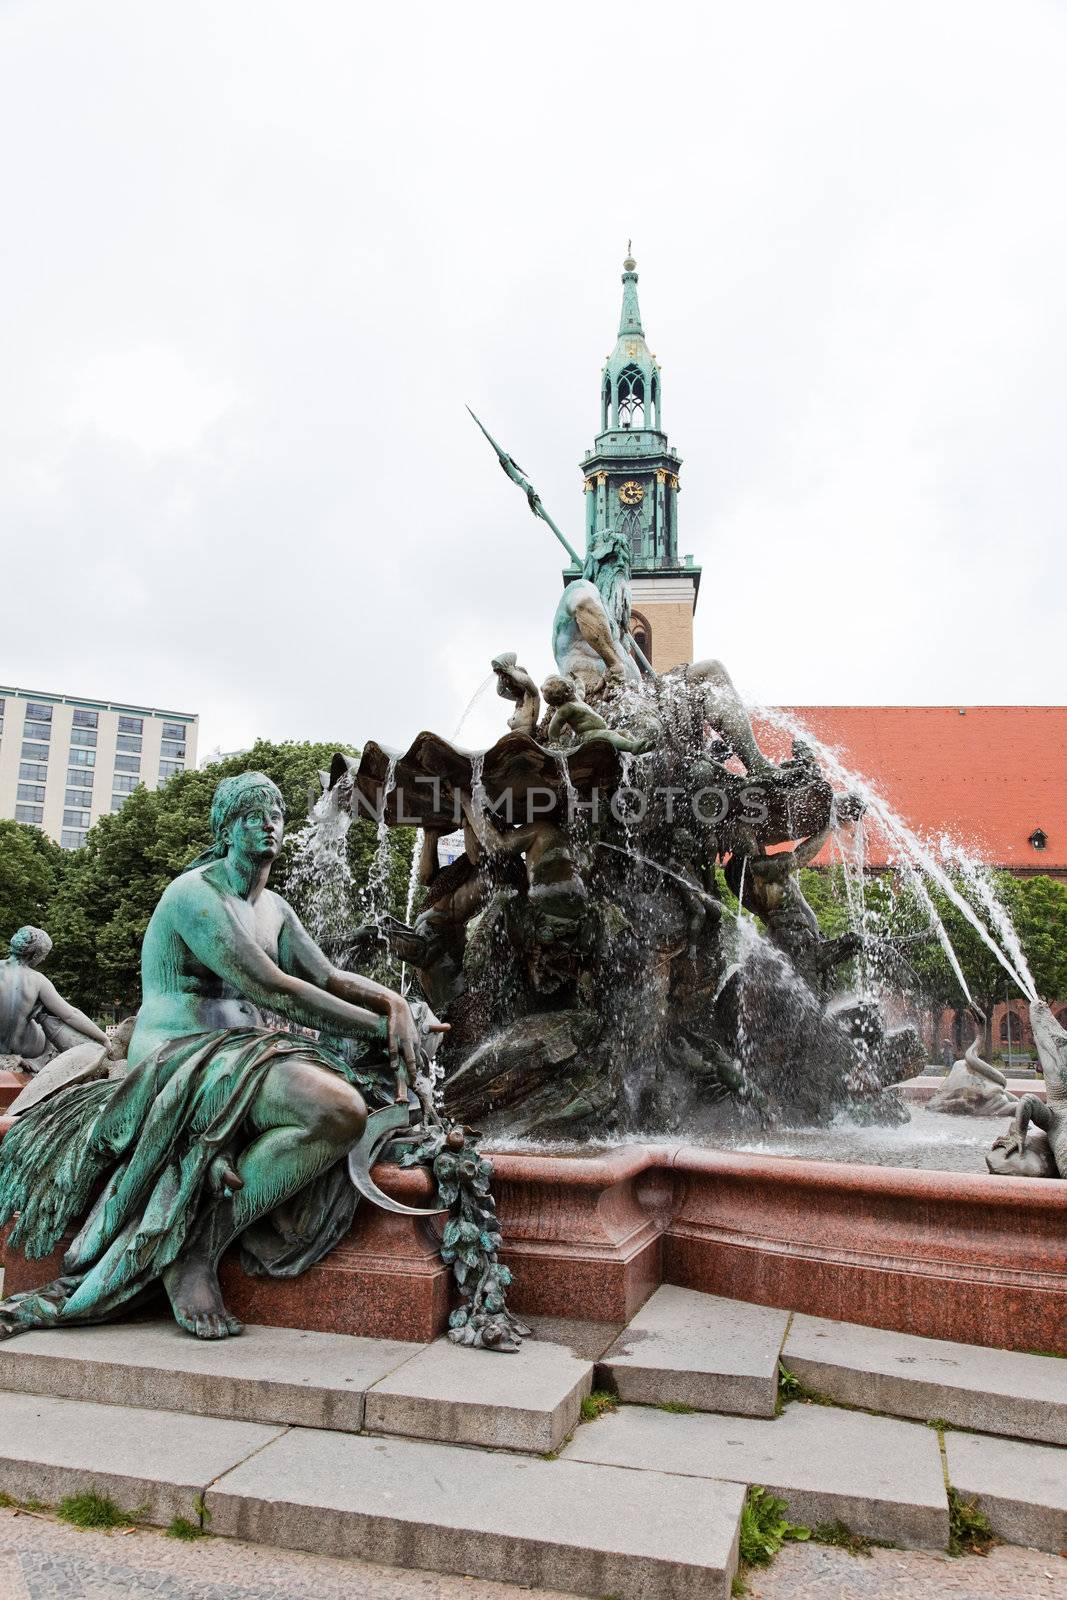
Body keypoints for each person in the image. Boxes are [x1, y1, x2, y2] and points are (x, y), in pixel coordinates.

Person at [0, 771, 444, 1342]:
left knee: (352, 1096)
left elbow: (327, 976)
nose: (267, 825)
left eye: (276, 815)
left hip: (247, 1053)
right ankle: (191, 1250)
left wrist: (395, 1005)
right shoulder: (195, 893)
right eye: (251, 815)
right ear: (226, 829)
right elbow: (273, 988)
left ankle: (206, 1231)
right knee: (337, 1109)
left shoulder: (274, 908)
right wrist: (383, 1030)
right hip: (177, 1054)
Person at [0, 926, 111, 1064]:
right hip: (21, 1048)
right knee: (46, 1029)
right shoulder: (38, 980)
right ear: (35, 955)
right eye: (43, 956)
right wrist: (103, 1037)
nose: (43, 960)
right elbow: (71, 1015)